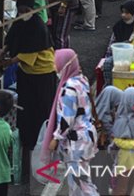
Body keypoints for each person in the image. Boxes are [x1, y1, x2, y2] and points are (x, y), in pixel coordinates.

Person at [0, 0, 56, 174]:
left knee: (39, 111)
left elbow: (28, 54)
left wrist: (8, 61)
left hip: (42, 75)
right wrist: (3, 51)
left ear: (32, 9)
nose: (23, 13)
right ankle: (26, 143)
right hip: (26, 73)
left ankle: (38, 147)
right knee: (25, 109)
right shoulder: (19, 22)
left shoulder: (38, 27)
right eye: (20, 10)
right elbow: (12, 38)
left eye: (26, 10)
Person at [41, 49, 99, 196]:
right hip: (86, 137)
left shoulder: (69, 89)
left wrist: (56, 138)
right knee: (79, 181)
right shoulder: (81, 80)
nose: (55, 68)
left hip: (77, 141)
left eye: (57, 64)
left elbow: (67, 120)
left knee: (82, 183)